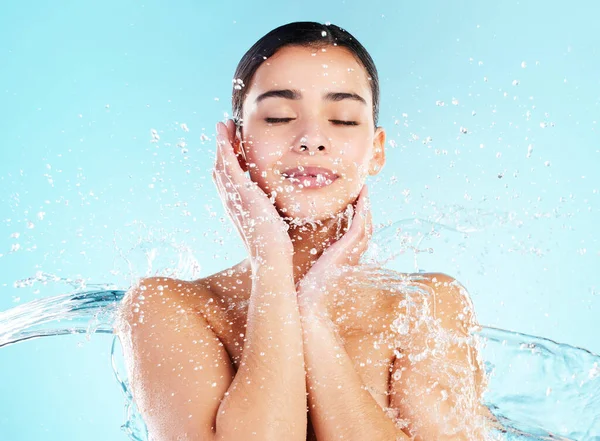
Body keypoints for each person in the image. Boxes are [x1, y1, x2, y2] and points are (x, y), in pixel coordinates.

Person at [115, 21, 497, 441]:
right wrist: (271, 263)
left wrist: (313, 316)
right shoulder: (165, 307)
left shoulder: (428, 306)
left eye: (344, 119)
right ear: (236, 148)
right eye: (279, 116)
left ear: (376, 150)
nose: (312, 139)